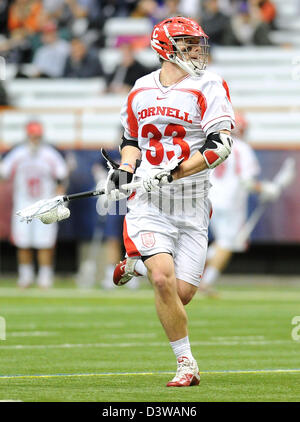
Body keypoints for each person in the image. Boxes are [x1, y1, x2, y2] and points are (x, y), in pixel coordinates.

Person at [105, 16, 235, 387]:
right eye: (189, 43)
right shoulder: (141, 88)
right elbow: (130, 139)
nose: (197, 50)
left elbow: (221, 145)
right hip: (149, 202)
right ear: (166, 46)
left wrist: (176, 172)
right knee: (163, 278)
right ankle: (186, 364)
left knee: (181, 292)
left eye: (198, 43)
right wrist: (126, 170)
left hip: (192, 202)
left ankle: (135, 263)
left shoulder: (208, 84)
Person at [199, 112, 280, 296]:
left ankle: (187, 272)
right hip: (230, 202)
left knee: (221, 242)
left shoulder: (213, 145)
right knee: (227, 243)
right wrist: (266, 189)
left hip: (208, 198)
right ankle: (206, 281)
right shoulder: (242, 148)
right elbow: (247, 182)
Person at [0, 120, 68, 288]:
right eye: (32, 136)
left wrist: (59, 198)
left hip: (45, 204)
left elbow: (60, 177)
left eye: (37, 136)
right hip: (23, 204)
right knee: (23, 242)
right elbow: (4, 173)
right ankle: (25, 276)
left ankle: (45, 276)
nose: (35, 139)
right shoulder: (18, 153)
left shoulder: (50, 154)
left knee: (45, 242)